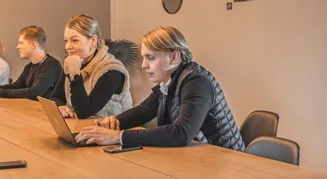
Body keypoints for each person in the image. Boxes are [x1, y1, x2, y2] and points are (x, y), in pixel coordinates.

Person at [76, 26, 244, 150]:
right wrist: (115, 123)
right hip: (202, 159)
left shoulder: (196, 82)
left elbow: (181, 133)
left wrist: (118, 137)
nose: (143, 65)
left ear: (174, 57)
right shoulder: (170, 81)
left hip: (228, 163)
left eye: (150, 58)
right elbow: (142, 112)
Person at [59, 14, 132, 119]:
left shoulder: (112, 70)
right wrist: (60, 107)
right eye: (66, 40)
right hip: (85, 128)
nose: (68, 46)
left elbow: (84, 112)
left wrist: (75, 75)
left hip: (114, 132)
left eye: (74, 40)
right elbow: (56, 97)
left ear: (93, 40)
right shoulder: (74, 62)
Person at [0, 26, 63, 100]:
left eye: (21, 43)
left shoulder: (51, 65)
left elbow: (36, 93)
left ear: (33, 44)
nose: (17, 46)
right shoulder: (29, 67)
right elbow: (17, 86)